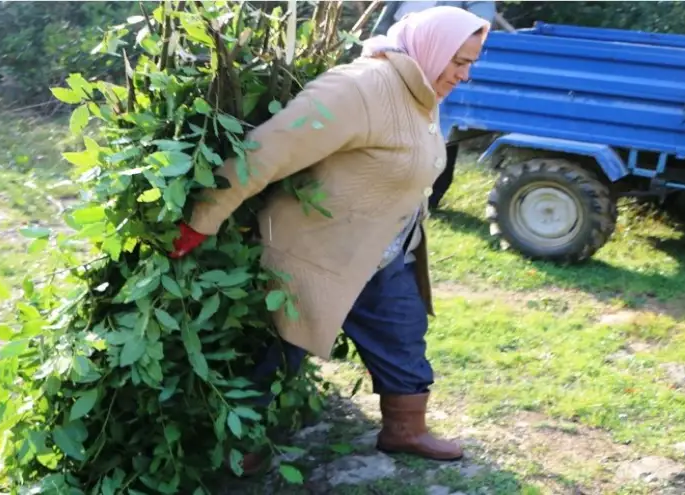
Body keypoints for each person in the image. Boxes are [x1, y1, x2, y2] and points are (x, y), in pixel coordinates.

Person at [169, 6, 490, 476]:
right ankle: (238, 445)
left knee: (403, 336)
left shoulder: (422, 89)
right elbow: (268, 151)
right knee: (278, 354)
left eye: (470, 64)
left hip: (384, 252)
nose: (463, 75)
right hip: (318, 254)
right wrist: (202, 219)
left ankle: (405, 429)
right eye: (458, 62)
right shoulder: (358, 89)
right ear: (431, 49)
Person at [372, 1, 497, 211]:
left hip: (435, 65)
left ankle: (430, 196)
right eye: (461, 65)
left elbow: (477, 24)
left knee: (435, 133)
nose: (464, 75)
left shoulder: (435, 93)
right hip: (404, 56)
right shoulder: (363, 88)